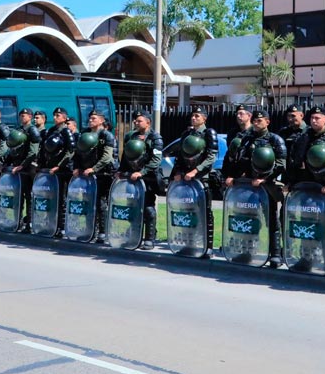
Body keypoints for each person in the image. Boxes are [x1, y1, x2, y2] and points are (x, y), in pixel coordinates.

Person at [286, 106, 325, 273]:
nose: (314, 121)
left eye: (317, 118)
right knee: (306, 225)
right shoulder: (305, 137)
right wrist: (292, 183)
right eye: (312, 118)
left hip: (324, 190)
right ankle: (306, 259)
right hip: (307, 188)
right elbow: (296, 160)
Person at [222, 109, 287, 267]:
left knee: (271, 220)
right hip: (247, 186)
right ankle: (247, 251)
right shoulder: (246, 138)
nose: (256, 123)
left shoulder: (275, 139)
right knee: (246, 218)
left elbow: (281, 164)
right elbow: (237, 159)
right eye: (255, 121)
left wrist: (265, 179)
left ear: (267, 122)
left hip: (266, 185)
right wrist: (232, 176)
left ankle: (275, 254)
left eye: (260, 121)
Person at [173, 106, 219, 257]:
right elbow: (180, 155)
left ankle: (208, 247)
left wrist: (196, 171)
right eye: (193, 115)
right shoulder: (187, 133)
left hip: (202, 179)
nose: (194, 118)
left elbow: (211, 157)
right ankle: (189, 244)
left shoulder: (209, 133)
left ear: (204, 118)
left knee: (205, 212)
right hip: (186, 180)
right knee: (187, 212)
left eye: (197, 116)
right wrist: (178, 172)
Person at [120, 111, 163, 249]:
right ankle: (134, 236)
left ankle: (150, 238)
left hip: (148, 178)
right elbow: (125, 155)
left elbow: (156, 160)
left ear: (148, 122)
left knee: (148, 208)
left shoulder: (155, 138)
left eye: (139, 121)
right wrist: (121, 171)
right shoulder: (130, 136)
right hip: (132, 178)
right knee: (132, 207)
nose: (136, 123)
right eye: (135, 121)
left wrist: (142, 172)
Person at [74, 109, 117, 242]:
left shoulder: (106, 135)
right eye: (90, 118)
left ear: (101, 120)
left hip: (103, 174)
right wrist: (77, 167)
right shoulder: (84, 133)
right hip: (86, 175)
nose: (90, 120)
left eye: (94, 118)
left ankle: (103, 232)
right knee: (87, 202)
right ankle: (89, 230)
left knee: (101, 203)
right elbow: (78, 152)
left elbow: (107, 157)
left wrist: (94, 169)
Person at [37, 107, 75, 238]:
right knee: (50, 197)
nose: (55, 118)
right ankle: (50, 224)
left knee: (62, 199)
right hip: (50, 170)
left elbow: (71, 150)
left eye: (58, 115)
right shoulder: (51, 131)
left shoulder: (66, 131)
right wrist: (42, 165)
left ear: (64, 118)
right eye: (54, 115)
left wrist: (59, 166)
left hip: (62, 171)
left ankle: (62, 227)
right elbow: (44, 149)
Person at [2, 107, 42, 233]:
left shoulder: (32, 130)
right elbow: (12, 149)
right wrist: (6, 163)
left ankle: (29, 224)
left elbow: (33, 151)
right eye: (20, 115)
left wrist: (23, 165)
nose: (22, 117)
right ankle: (17, 222)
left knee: (29, 196)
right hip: (17, 166)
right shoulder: (18, 130)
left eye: (24, 115)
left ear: (30, 117)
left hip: (26, 168)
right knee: (17, 196)